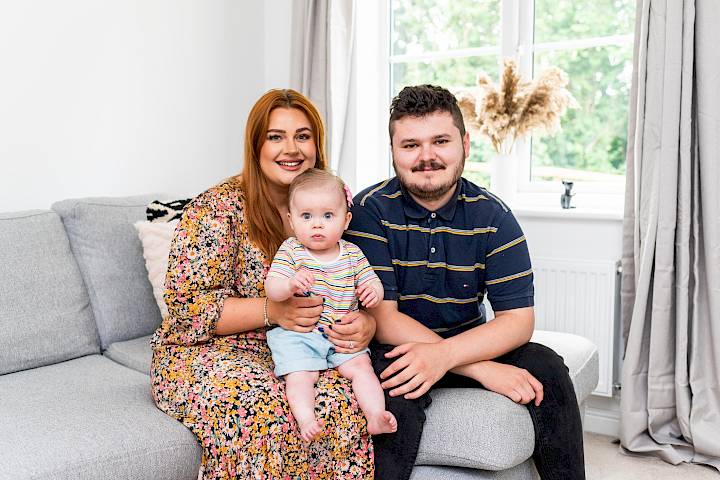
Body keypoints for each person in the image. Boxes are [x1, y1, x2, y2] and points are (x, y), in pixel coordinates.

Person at [345, 84, 585, 479]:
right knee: (395, 394)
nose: (426, 156)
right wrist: (480, 369)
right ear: (393, 152)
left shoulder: (494, 216)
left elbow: (517, 321)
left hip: (464, 342)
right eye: (410, 145)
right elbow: (384, 318)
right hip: (396, 349)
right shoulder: (370, 213)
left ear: (465, 144)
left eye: (440, 141)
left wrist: (449, 357)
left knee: (547, 367)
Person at [150, 89, 377, 479]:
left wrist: (366, 325)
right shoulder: (216, 209)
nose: (291, 148)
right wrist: (275, 311)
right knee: (263, 410)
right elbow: (188, 310)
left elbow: (353, 280)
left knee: (342, 402)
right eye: (276, 136)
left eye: (303, 136)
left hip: (300, 348)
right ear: (256, 144)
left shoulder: (328, 206)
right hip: (206, 350)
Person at [264, 168, 397, 443]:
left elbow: (373, 283)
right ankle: (306, 419)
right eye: (306, 216)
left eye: (327, 216)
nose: (317, 224)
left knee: (362, 369)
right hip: (300, 335)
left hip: (341, 335)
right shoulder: (292, 251)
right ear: (291, 220)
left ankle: (375, 415)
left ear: (346, 220)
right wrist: (288, 285)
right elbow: (272, 289)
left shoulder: (352, 253)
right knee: (300, 375)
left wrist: (372, 292)